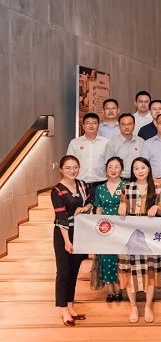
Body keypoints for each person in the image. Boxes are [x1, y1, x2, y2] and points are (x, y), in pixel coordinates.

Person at [118, 157, 161, 324]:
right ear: (132, 171)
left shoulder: (158, 187)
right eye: (136, 168)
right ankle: (133, 306)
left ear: (149, 169)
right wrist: (122, 206)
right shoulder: (127, 188)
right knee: (129, 270)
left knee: (150, 269)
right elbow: (122, 206)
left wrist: (157, 207)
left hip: (149, 236)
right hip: (130, 235)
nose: (140, 171)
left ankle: (147, 306)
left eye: (143, 167)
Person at [52, 155, 92, 326]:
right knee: (63, 272)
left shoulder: (82, 185)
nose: (72, 170)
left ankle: (70, 305)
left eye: (75, 167)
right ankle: (63, 310)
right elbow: (61, 218)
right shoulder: (57, 191)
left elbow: (90, 202)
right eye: (68, 168)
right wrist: (67, 242)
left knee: (74, 271)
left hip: (80, 232)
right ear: (61, 169)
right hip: (64, 234)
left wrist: (84, 208)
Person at [94, 157, 127, 303]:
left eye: (117, 167)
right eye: (110, 167)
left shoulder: (126, 186)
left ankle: (120, 287)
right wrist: (97, 228)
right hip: (105, 227)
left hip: (122, 227)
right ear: (106, 170)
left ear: (122, 169)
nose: (113, 170)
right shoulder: (100, 188)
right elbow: (99, 209)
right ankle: (110, 289)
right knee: (107, 257)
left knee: (119, 258)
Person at [66, 112, 110, 200]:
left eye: (94, 123)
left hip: (101, 184)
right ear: (83, 126)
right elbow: (69, 164)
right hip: (80, 184)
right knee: (80, 208)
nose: (91, 126)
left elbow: (110, 163)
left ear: (98, 125)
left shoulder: (107, 143)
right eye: (88, 123)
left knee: (99, 208)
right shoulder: (75, 143)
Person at [105, 113, 144, 179]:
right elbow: (108, 166)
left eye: (129, 124)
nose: (126, 127)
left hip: (138, 179)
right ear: (119, 126)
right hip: (119, 179)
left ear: (134, 126)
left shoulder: (141, 142)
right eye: (123, 124)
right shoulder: (112, 144)